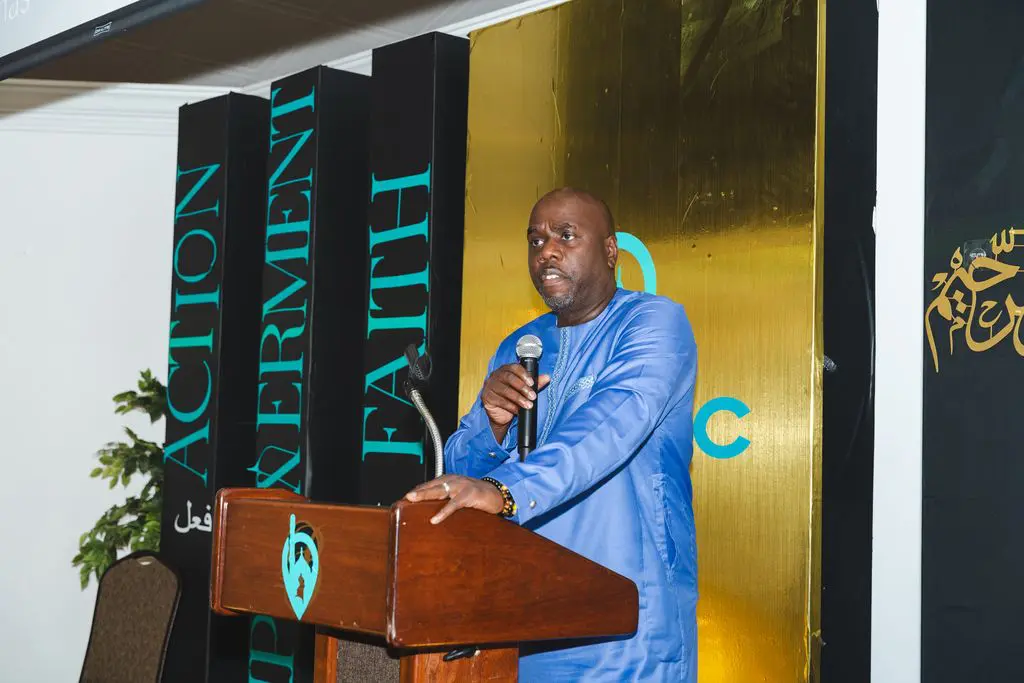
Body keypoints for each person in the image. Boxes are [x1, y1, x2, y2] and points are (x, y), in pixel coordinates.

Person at [404, 187, 698, 682]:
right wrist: (492, 423)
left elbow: (609, 425)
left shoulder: (653, 323)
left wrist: (505, 489)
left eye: (566, 235)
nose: (547, 251)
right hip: (526, 621)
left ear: (610, 250)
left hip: (628, 629)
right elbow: (464, 475)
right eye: (535, 240)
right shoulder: (521, 347)